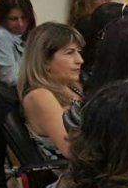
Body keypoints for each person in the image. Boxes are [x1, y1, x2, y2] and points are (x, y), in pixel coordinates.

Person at [18, 22, 84, 160]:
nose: (80, 60)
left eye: (79, 52)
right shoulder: (39, 96)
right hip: (73, 170)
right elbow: (73, 150)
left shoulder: (72, 86)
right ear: (45, 60)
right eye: (70, 53)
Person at [0, 0, 34, 98]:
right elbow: (11, 78)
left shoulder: (18, 34)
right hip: (7, 100)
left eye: (24, 18)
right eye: (13, 19)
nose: (20, 24)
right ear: (3, 18)